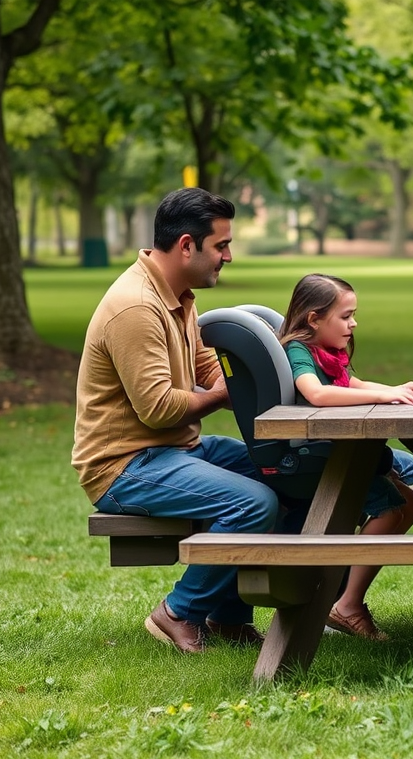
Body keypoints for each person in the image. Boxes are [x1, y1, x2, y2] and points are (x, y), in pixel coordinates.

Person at [72, 188, 279, 654]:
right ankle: (179, 611)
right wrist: (228, 392)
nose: (228, 256)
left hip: (175, 449)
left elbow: (207, 369)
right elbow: (159, 408)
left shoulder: (179, 295)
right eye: (221, 246)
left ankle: (228, 615)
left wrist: (262, 378)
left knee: (280, 470)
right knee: (253, 503)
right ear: (187, 246)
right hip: (125, 465)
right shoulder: (136, 308)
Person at [277, 273, 413, 641]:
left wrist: (398, 388)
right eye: (345, 316)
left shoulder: (327, 351)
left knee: (408, 500)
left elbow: (350, 384)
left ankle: (345, 597)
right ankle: (346, 605)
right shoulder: (298, 349)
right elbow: (316, 394)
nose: (354, 324)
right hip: (317, 458)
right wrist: (383, 398)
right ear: (314, 319)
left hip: (337, 451)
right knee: (396, 509)